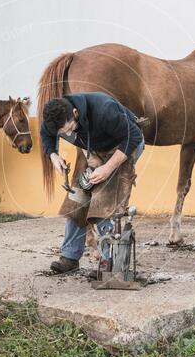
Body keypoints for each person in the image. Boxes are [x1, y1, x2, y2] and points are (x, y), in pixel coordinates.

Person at [40, 92, 145, 274]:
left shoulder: (105, 110)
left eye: (69, 129)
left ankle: (108, 263)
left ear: (75, 113)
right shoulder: (55, 119)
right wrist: (53, 155)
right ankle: (70, 257)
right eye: (62, 133)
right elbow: (46, 134)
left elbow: (133, 137)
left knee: (104, 199)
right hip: (93, 147)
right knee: (77, 198)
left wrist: (107, 168)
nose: (68, 134)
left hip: (123, 145)